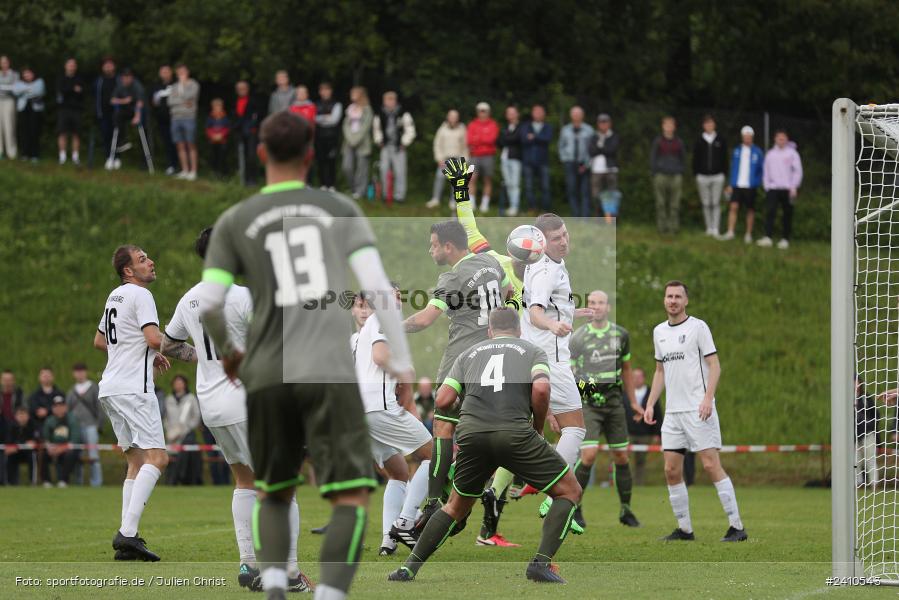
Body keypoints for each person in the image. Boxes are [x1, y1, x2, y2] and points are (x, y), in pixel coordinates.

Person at [198, 110, 412, 600]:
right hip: (327, 368)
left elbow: (209, 302)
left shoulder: (236, 220)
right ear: (311, 155)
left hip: (267, 370)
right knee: (351, 496)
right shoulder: (337, 208)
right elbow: (378, 288)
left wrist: (231, 353)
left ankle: (275, 585)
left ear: (260, 153)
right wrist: (401, 360)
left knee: (273, 490)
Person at [162, 225, 312, 591]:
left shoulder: (190, 299)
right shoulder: (244, 295)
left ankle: (248, 563)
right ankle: (290, 573)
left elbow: (168, 345)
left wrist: (204, 359)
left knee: (244, 481)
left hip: (212, 405)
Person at [387, 308, 582, 584]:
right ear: (519, 330)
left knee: (455, 506)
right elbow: (541, 389)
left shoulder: (468, 354)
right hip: (515, 433)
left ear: (490, 331)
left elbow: (442, 399)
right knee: (570, 491)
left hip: (472, 435)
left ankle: (408, 569)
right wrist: (538, 427)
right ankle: (540, 564)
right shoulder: (532, 351)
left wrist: (471, 407)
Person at [401, 207, 510, 542]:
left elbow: (425, 319)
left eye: (434, 245)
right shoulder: (491, 263)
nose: (431, 250)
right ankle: (465, 501)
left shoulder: (453, 278)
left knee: (443, 427)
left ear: (448, 247)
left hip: (460, 361)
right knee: (479, 435)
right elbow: (507, 293)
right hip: (494, 359)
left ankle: (436, 501)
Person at [643, 280, 747, 542]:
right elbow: (659, 371)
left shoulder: (698, 327)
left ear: (686, 301)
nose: (673, 301)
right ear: (664, 300)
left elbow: (715, 365)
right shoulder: (659, 331)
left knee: (711, 465)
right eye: (669, 296)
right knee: (671, 470)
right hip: (673, 414)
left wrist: (708, 399)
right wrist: (650, 403)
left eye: (678, 296)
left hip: (698, 410)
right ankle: (685, 530)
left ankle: (737, 527)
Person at [94, 245, 172, 561]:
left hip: (110, 389)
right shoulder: (141, 295)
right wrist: (183, 350)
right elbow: (154, 338)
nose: (150, 262)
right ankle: (127, 534)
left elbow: (100, 341)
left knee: (136, 462)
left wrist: (143, 353)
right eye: (142, 259)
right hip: (134, 390)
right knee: (158, 458)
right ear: (128, 271)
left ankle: (128, 539)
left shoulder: (114, 296)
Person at [352, 289, 432, 555]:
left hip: (360, 412)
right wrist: (404, 371)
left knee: (398, 472)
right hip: (379, 407)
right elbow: (380, 357)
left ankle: (388, 539)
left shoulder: (366, 329)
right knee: (435, 456)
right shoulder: (383, 317)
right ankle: (406, 521)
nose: (398, 301)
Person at [560, 289, 644, 529]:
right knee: (588, 456)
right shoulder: (577, 337)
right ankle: (575, 507)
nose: (596, 306)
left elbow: (626, 370)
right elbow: (570, 373)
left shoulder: (621, 335)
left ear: (608, 307)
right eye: (592, 302)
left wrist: (634, 402)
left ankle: (626, 510)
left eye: (601, 303)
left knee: (621, 456)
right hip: (589, 405)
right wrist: (585, 393)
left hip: (615, 405)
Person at [520, 214, 588, 501]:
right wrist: (552, 325)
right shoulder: (546, 271)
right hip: (551, 359)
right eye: (556, 238)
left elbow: (547, 306)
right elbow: (536, 312)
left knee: (519, 430)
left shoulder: (543, 263)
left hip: (533, 356)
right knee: (575, 428)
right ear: (542, 242)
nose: (563, 241)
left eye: (564, 234)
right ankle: (553, 494)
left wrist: (572, 313)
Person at [758, 130, 803, 249]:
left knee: (787, 214)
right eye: (779, 138)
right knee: (770, 212)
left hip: (788, 189)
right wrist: (767, 186)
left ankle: (785, 239)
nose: (781, 140)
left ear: (787, 139)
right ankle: (768, 237)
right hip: (773, 189)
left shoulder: (792, 153)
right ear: (775, 139)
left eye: (783, 138)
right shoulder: (770, 154)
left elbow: (797, 171)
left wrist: (794, 186)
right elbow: (766, 172)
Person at [720, 126, 764, 243]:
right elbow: (733, 168)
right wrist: (730, 184)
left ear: (752, 137)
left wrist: (757, 182)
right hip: (737, 185)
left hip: (750, 186)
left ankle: (748, 234)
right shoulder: (737, 150)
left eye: (749, 136)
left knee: (750, 209)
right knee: (733, 207)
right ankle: (730, 232)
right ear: (742, 137)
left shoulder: (758, 152)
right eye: (745, 136)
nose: (747, 138)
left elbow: (762, 169)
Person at [372, 91, 416, 204]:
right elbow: (376, 129)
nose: (390, 102)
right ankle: (386, 194)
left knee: (400, 171)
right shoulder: (380, 114)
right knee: (383, 169)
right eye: (388, 99)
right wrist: (379, 140)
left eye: (392, 99)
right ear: (384, 101)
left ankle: (399, 196)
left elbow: (410, 130)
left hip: (398, 147)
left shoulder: (403, 113)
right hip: (385, 146)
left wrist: (404, 142)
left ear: (395, 101)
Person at [65, 362, 103, 487]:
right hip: (75, 428)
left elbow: (100, 407)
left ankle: (96, 483)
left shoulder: (93, 387)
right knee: (77, 455)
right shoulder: (72, 390)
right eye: (77, 372)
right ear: (73, 374)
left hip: (91, 425)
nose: (80, 374)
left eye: (82, 371)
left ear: (86, 372)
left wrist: (99, 425)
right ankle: (79, 482)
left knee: (93, 455)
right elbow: (68, 410)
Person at [623, 367, 662, 485]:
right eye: (634, 377)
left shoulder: (651, 393)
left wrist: (657, 433)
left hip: (645, 433)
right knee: (624, 459)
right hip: (628, 433)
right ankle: (625, 482)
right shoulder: (625, 393)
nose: (636, 379)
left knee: (640, 461)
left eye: (639, 376)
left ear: (644, 378)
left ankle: (639, 484)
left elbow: (658, 413)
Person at [692, 115, 728, 236]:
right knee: (706, 203)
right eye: (707, 123)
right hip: (702, 177)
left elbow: (725, 158)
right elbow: (695, 159)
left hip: (717, 176)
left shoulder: (720, 139)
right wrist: (696, 173)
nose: (709, 126)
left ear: (714, 125)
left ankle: (715, 228)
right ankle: (708, 228)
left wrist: (724, 173)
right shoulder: (699, 140)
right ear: (703, 126)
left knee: (716, 203)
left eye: (711, 123)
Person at [163, 375, 202, 485]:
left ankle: (184, 479)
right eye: (176, 383)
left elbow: (196, 417)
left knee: (184, 457)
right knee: (171, 458)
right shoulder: (169, 399)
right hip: (172, 436)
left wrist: (185, 429)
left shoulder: (191, 398)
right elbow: (165, 417)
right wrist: (170, 430)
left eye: (180, 382)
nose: (178, 385)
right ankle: (171, 481)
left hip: (187, 435)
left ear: (185, 384)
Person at [650, 116, 686, 234]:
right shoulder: (658, 141)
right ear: (663, 126)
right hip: (660, 175)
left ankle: (673, 228)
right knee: (660, 203)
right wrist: (655, 172)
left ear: (674, 127)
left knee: (674, 204)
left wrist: (680, 170)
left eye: (671, 125)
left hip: (676, 176)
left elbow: (683, 158)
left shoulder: (679, 142)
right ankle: (662, 228)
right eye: (667, 125)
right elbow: (653, 157)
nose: (669, 127)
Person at [426, 109, 467, 209]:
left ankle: (453, 201)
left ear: (458, 118)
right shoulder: (442, 128)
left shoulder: (462, 129)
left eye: (455, 117)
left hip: (457, 159)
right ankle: (436, 199)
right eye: (451, 116)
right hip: (444, 159)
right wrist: (439, 158)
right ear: (448, 117)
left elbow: (465, 146)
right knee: (439, 178)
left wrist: (464, 160)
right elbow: (437, 144)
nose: (453, 118)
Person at [559, 106, 594, 218]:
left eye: (578, 114)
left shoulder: (589, 130)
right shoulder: (565, 130)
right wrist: (564, 159)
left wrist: (587, 164)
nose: (576, 116)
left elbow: (592, 148)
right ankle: (575, 215)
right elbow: (561, 146)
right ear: (571, 115)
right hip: (570, 163)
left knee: (585, 191)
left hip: (584, 163)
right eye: (574, 114)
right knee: (572, 190)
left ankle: (585, 216)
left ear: (582, 115)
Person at [168, 64, 200, 180]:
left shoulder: (193, 84)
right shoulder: (174, 86)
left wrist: (181, 91)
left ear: (187, 72)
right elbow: (170, 102)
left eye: (183, 71)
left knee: (191, 144)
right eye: (179, 72)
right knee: (180, 145)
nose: (181, 74)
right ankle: (185, 170)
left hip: (189, 117)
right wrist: (184, 101)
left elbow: (189, 96)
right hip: (175, 118)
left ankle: (193, 171)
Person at [466, 102, 499, 212]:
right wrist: (483, 138)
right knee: (472, 179)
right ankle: (472, 204)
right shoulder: (472, 124)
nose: (482, 113)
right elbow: (469, 140)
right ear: (477, 112)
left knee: (487, 180)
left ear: (488, 112)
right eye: (481, 111)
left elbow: (491, 139)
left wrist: (478, 139)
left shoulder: (493, 124)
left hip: (488, 156)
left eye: (484, 111)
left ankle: (485, 205)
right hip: (474, 155)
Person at [341, 86, 373, 200]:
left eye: (354, 93)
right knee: (347, 166)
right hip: (349, 141)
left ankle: (360, 191)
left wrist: (356, 139)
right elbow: (345, 124)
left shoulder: (367, 109)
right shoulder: (350, 108)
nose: (352, 95)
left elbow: (366, 127)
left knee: (361, 168)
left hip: (362, 142)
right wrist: (350, 138)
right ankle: (353, 188)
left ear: (361, 95)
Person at [42, 396, 82, 487]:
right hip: (53, 448)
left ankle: (63, 480)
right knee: (42, 454)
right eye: (56, 406)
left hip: (68, 449)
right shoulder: (49, 420)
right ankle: (46, 481)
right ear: (52, 408)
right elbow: (46, 438)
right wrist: (50, 448)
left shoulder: (72, 419)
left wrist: (62, 449)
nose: (59, 408)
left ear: (65, 407)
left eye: (61, 406)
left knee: (70, 455)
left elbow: (75, 439)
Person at [108, 68, 144, 166]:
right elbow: (112, 100)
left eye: (128, 77)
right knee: (117, 117)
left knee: (143, 130)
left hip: (136, 111)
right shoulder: (120, 86)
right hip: (124, 110)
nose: (126, 79)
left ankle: (144, 161)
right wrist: (124, 101)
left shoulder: (137, 86)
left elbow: (140, 102)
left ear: (132, 78)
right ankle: (123, 140)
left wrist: (137, 116)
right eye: (124, 77)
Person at [521, 104, 553, 213]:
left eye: (540, 112)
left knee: (545, 187)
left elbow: (547, 139)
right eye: (536, 112)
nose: (538, 114)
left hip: (543, 161)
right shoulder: (526, 126)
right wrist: (539, 138)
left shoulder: (547, 127)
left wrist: (534, 137)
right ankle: (532, 207)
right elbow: (524, 139)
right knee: (529, 186)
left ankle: (545, 209)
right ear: (532, 113)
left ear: (544, 114)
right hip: (528, 161)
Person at [589, 113, 620, 223]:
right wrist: (604, 149)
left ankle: (612, 221)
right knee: (596, 196)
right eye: (601, 123)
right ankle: (599, 219)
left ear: (609, 124)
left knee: (612, 195)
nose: (603, 125)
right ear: (598, 124)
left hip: (611, 169)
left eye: (605, 122)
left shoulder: (614, 136)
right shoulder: (594, 136)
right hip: (596, 170)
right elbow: (591, 151)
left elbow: (612, 150)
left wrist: (600, 148)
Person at [150, 65, 179, 175]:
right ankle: (171, 164)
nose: (164, 74)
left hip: (175, 118)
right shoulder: (156, 86)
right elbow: (153, 102)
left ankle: (179, 164)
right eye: (162, 72)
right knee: (167, 142)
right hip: (162, 119)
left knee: (177, 142)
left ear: (171, 72)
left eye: (167, 71)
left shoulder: (176, 84)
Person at [56, 58, 85, 165]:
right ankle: (62, 157)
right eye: (70, 65)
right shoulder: (60, 78)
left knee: (76, 133)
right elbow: (60, 91)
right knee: (62, 132)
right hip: (63, 109)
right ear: (65, 66)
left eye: (73, 65)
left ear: (76, 67)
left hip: (76, 110)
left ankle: (75, 157)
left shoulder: (79, 79)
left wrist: (69, 90)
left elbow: (82, 93)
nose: (71, 67)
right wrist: (73, 89)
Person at [314, 82, 342, 191]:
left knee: (331, 161)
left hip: (332, 137)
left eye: (327, 90)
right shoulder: (316, 104)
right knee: (321, 161)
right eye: (323, 90)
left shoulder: (337, 104)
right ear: (320, 92)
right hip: (319, 136)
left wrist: (321, 118)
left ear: (331, 91)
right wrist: (326, 117)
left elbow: (334, 120)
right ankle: (323, 184)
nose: (325, 92)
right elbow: (314, 119)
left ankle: (332, 184)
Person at [233, 80, 261, 186]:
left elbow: (257, 117)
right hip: (239, 132)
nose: (242, 90)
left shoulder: (253, 101)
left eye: (243, 88)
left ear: (247, 89)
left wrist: (253, 127)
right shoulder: (234, 102)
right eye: (239, 89)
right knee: (241, 155)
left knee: (251, 155)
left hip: (251, 132)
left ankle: (252, 179)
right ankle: (242, 179)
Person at [15, 66, 45, 162]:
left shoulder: (40, 81)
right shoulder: (18, 82)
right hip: (23, 109)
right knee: (24, 131)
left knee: (34, 131)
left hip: (35, 109)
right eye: (25, 73)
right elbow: (15, 91)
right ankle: (25, 154)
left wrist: (24, 90)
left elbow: (38, 92)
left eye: (29, 73)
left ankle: (35, 155)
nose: (27, 75)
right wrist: (29, 89)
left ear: (33, 74)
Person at [499, 105, 523, 216]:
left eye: (513, 113)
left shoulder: (521, 127)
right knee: (508, 183)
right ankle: (511, 206)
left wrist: (507, 138)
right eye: (509, 113)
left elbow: (516, 139)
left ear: (517, 114)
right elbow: (499, 141)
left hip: (515, 158)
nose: (511, 115)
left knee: (515, 183)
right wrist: (508, 138)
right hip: (504, 158)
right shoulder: (505, 127)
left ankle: (515, 206)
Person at [856, 376, 880, 488]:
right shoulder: (846, 398)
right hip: (853, 436)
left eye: (857, 382)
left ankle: (874, 483)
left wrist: (869, 425)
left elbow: (876, 415)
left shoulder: (866, 398)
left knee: (870, 459)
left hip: (867, 433)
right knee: (856, 461)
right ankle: (858, 483)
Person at [5, 406, 38, 485]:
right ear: (15, 416)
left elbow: (36, 439)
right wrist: (21, 444)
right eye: (19, 414)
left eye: (24, 414)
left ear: (28, 416)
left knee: (32, 455)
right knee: (9, 456)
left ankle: (32, 481)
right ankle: (10, 482)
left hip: (28, 452)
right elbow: (9, 441)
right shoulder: (11, 426)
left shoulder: (33, 425)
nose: (22, 416)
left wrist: (33, 442)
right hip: (16, 451)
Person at [94, 58, 117, 161]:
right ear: (102, 68)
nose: (108, 67)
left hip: (117, 113)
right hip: (103, 113)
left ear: (114, 67)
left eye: (110, 65)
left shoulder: (119, 80)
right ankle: (108, 157)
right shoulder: (99, 81)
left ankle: (117, 157)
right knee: (106, 135)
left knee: (116, 135)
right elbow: (96, 97)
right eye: (106, 65)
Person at [205, 98, 230, 177]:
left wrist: (221, 135)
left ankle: (223, 173)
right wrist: (212, 136)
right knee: (213, 157)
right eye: (215, 106)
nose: (217, 108)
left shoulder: (225, 117)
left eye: (219, 106)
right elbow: (208, 129)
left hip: (222, 141)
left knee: (222, 157)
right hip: (212, 141)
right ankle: (214, 171)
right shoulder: (210, 117)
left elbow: (227, 128)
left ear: (222, 107)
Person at [0, 55, 18, 159]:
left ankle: (11, 152)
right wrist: (7, 87)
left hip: (9, 101)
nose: (4, 64)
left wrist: (3, 87)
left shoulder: (14, 74)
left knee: (9, 126)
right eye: (2, 62)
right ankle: (0, 151)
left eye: (5, 62)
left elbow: (15, 89)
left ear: (9, 63)